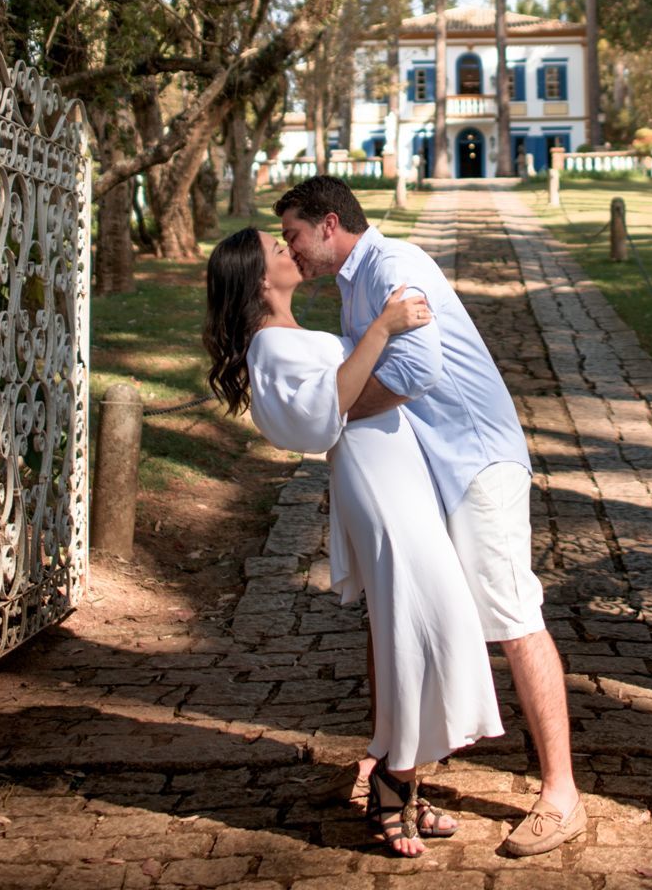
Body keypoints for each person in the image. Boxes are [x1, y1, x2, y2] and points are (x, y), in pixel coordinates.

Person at [276, 175, 586, 858]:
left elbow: (414, 372)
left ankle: (562, 794)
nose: (290, 249)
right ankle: (392, 758)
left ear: (329, 224)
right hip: (427, 471)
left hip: (476, 462)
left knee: (512, 618)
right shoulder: (355, 282)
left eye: (294, 235)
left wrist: (328, 414)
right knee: (397, 613)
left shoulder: (395, 265)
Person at [203, 227, 503, 858]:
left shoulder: (285, 334)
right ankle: (393, 783)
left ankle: (404, 781)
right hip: (377, 478)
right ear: (259, 279)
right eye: (278, 249)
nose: (290, 251)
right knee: (420, 619)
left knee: (425, 619)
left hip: (396, 468)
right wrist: (383, 328)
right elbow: (324, 411)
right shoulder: (270, 345)